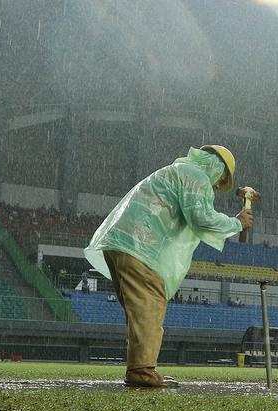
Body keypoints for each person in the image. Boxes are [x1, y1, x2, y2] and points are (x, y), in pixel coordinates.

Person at [83, 145, 252, 388]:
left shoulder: (175, 171)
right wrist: (236, 223)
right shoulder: (196, 176)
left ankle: (140, 368)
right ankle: (141, 372)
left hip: (120, 244)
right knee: (150, 303)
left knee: (140, 313)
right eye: (221, 179)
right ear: (217, 166)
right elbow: (201, 217)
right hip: (140, 245)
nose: (216, 185)